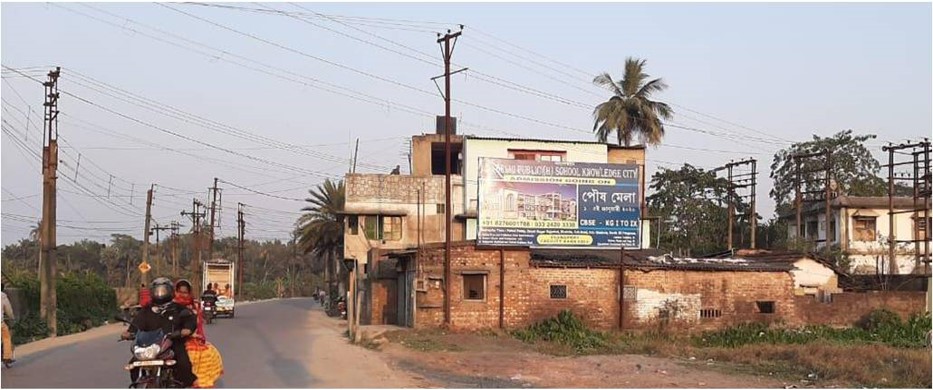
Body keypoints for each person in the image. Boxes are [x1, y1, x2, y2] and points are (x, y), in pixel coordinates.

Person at [122, 277, 198, 387]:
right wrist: (129, 333)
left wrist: (187, 329)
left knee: (183, 364)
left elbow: (190, 320)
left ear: (170, 291)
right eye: (157, 290)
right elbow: (137, 324)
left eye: (163, 290)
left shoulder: (178, 308)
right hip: (150, 346)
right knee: (133, 364)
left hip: (172, 343)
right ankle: (137, 384)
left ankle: (183, 385)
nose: (160, 293)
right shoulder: (146, 310)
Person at [2, 285, 15, 366]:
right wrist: (11, 317)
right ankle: (7, 357)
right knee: (6, 338)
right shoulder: (3, 297)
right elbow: (9, 310)